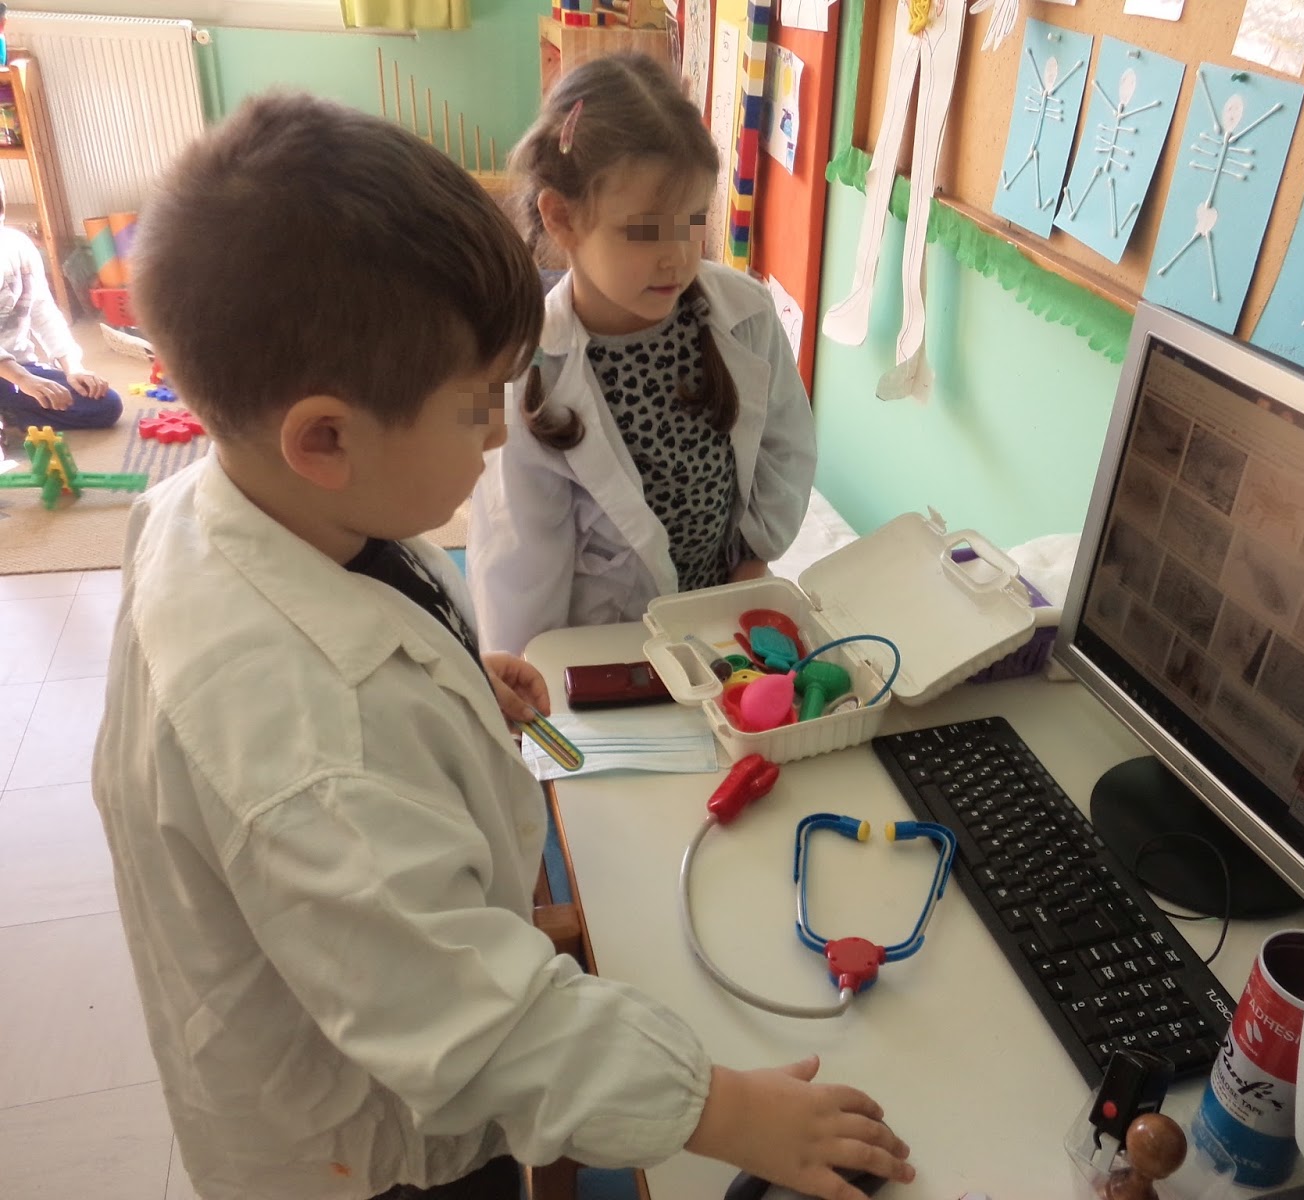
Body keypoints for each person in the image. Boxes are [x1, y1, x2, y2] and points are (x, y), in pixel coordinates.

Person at [91, 93, 911, 1200]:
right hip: (372, 1157)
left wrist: (449, 677)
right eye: (476, 405)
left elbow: (360, 627)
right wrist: (728, 1113)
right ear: (325, 437)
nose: (496, 434)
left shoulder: (256, 507)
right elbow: (476, 1024)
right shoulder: (308, 742)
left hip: (372, 1023)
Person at [468, 54, 816, 658]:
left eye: (693, 220)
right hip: (606, 648)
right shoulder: (527, 375)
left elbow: (786, 446)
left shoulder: (746, 314)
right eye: (644, 231)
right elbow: (516, 562)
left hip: (721, 613)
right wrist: (536, 679)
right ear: (562, 218)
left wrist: (756, 555)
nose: (677, 256)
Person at [0, 179, 121, 436]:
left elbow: (43, 312)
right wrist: (23, 380)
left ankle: (10, 411)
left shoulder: (18, 246)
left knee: (106, 405)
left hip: (18, 369)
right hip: (14, 374)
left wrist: (73, 367)